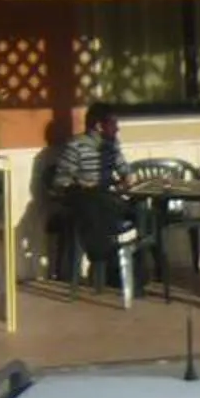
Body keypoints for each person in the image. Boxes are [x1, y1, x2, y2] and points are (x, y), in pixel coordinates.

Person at [36, 107, 130, 286]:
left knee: (141, 210)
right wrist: (83, 185)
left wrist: (126, 179)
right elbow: (60, 181)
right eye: (113, 124)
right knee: (95, 204)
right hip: (84, 199)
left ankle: (124, 268)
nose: (117, 129)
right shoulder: (76, 146)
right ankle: (104, 262)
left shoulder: (112, 145)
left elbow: (124, 170)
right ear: (98, 126)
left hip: (107, 197)